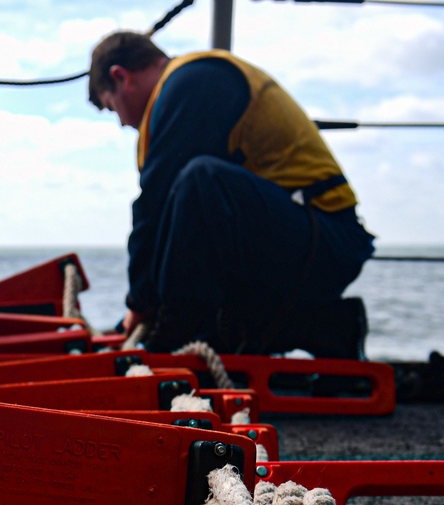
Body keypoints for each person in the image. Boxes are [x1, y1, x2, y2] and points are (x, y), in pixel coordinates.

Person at [88, 32, 376, 358]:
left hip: (326, 241)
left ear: (121, 77)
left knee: (202, 180)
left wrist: (138, 305)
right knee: (193, 201)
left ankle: (174, 341)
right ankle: (329, 329)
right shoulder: (193, 86)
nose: (123, 123)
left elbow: (153, 205)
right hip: (300, 242)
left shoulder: (193, 82)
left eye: (113, 109)